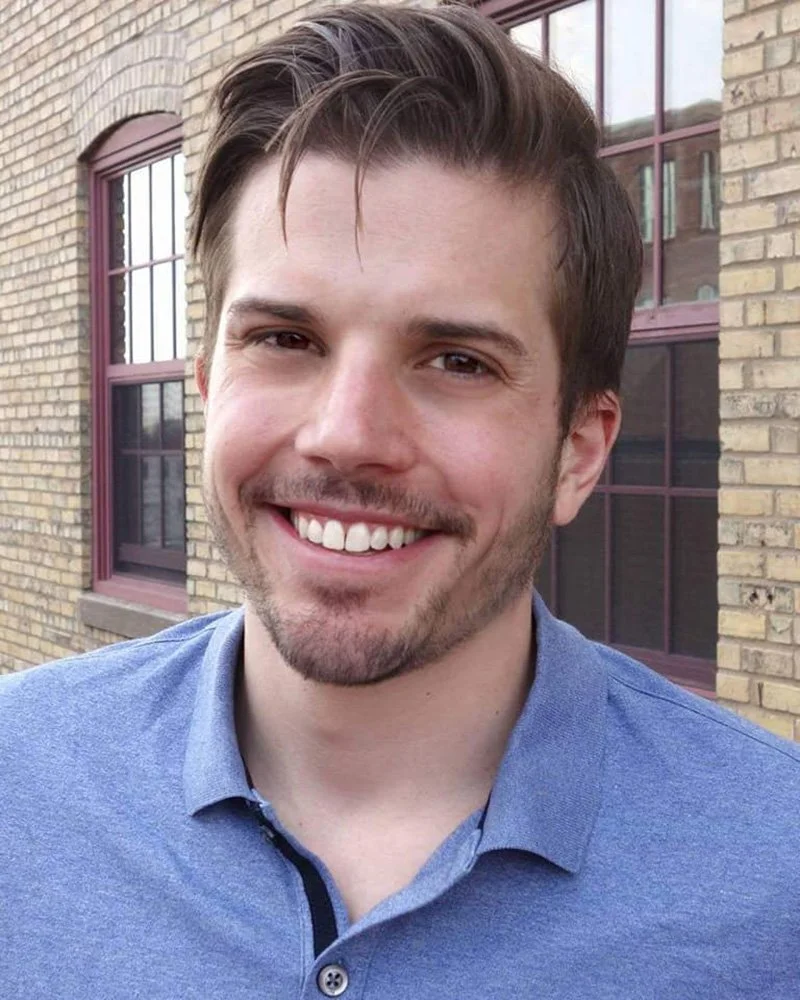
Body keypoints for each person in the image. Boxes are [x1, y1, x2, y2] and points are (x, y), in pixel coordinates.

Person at [2, 5, 799, 998]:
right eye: (285, 339)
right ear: (206, 388)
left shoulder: (775, 882)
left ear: (579, 451)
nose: (346, 434)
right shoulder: (20, 780)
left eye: (457, 360)